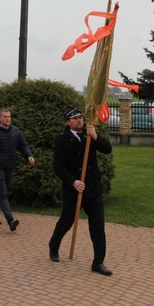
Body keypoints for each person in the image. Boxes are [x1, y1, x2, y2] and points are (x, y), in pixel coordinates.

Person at [48, 107, 113, 276]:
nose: (79, 120)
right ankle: (53, 246)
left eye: (80, 118)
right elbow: (58, 167)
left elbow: (107, 149)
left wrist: (96, 136)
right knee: (66, 222)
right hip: (73, 190)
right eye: (75, 118)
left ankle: (98, 261)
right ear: (68, 122)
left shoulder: (89, 135)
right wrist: (73, 182)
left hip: (92, 189)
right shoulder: (62, 140)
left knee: (98, 225)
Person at [0, 109, 34, 231]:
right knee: (3, 193)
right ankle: (10, 221)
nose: (7, 119)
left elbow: (23, 145)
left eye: (9, 116)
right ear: (0, 119)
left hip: (10, 166)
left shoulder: (16, 131)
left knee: (0, 191)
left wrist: (29, 155)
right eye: (5, 117)